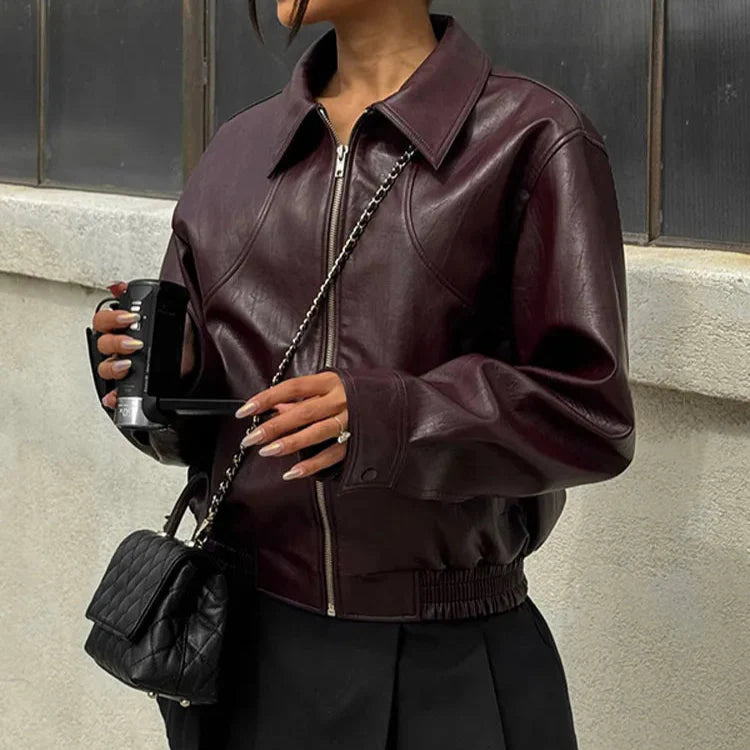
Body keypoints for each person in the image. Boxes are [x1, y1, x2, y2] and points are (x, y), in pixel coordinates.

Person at [91, 2, 635, 748]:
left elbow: (590, 414)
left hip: (446, 664)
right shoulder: (238, 152)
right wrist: (164, 378)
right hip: (244, 664)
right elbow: (196, 439)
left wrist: (392, 421)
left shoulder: (531, 137)